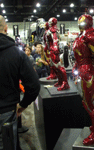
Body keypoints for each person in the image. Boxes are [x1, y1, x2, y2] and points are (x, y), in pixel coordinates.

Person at [0, 15, 40, 150]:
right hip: (7, 112)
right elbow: (34, 86)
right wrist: (23, 105)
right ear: (6, 28)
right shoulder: (17, 54)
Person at [73, 14, 94, 145]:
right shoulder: (82, 35)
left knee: (89, 103)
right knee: (87, 102)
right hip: (83, 70)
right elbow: (80, 55)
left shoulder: (91, 34)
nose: (79, 22)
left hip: (88, 71)